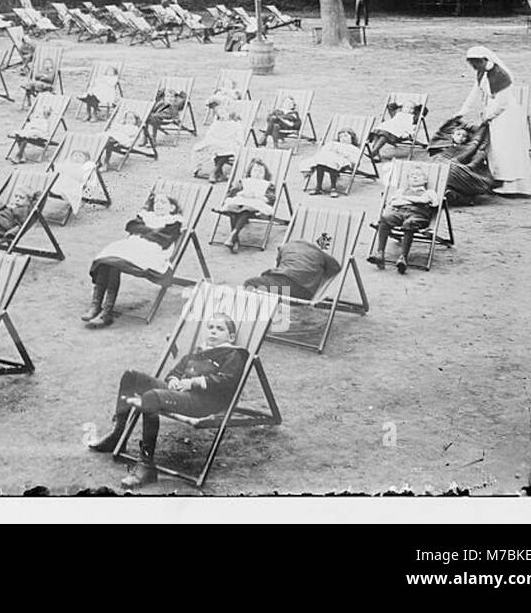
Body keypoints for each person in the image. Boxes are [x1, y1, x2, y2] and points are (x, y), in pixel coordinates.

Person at [87, 313, 248, 488]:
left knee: (151, 397)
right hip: (183, 395)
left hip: (204, 402)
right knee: (130, 376)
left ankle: (146, 465)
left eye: (220, 329)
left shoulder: (233, 354)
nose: (213, 332)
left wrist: (192, 382)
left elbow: (227, 382)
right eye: (210, 327)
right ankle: (117, 435)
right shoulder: (198, 352)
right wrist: (173, 382)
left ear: (231, 337)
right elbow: (175, 372)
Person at [83, 193, 184, 328]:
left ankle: (106, 311)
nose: (158, 205)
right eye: (156, 202)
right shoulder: (147, 216)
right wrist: (151, 230)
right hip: (133, 246)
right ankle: (96, 306)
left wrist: (144, 231)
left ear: (172, 207)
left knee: (114, 262)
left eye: (163, 203)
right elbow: (131, 226)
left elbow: (162, 238)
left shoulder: (173, 221)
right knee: (107, 258)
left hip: (152, 251)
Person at [454, 46, 531, 197]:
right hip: (494, 114)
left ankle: (513, 186)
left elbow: (502, 103)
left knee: (506, 148)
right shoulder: (482, 73)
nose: (475, 67)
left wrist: (487, 116)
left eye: (477, 63)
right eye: (473, 64)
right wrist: (462, 111)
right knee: (496, 148)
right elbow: (474, 92)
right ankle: (499, 180)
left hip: (506, 115)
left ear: (485, 59)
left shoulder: (500, 75)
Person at [368, 165, 441, 274]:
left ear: (425, 180)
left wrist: (406, 199)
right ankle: (380, 254)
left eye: (418, 175)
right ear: (408, 180)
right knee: (385, 218)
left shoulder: (430, 192)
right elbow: (393, 202)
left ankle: (403, 258)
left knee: (409, 223)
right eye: (412, 176)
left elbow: (434, 203)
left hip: (418, 215)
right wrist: (417, 200)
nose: (415, 177)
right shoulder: (401, 191)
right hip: (400, 213)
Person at [244, 236, 341, 299]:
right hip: (306, 293)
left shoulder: (285, 247)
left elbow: (278, 267)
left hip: (287, 285)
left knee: (250, 283)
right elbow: (336, 267)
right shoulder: (318, 252)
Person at [214, 157, 277, 253]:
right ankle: (233, 238)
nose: (258, 173)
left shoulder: (267, 184)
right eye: (255, 171)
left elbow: (271, 198)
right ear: (250, 172)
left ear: (265, 174)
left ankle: (233, 235)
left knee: (247, 209)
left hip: (257, 206)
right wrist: (241, 193)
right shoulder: (243, 181)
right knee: (237, 208)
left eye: (261, 172)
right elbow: (232, 193)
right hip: (239, 203)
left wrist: (258, 196)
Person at [428, 120, 496, 205]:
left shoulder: (469, 147)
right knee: (433, 174)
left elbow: (479, 137)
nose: (461, 137)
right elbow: (447, 126)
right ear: (452, 135)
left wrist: (479, 126)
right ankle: (456, 197)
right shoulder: (444, 146)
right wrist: (464, 124)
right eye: (458, 134)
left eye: (464, 136)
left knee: (447, 174)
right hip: (441, 164)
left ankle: (455, 196)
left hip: (456, 170)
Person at [190, 100, 245, 181]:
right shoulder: (216, 124)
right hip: (216, 143)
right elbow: (209, 135)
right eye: (220, 113)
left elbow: (240, 139)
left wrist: (232, 142)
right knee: (200, 147)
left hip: (229, 144)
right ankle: (217, 172)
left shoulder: (235, 124)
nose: (222, 116)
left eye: (224, 113)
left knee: (225, 149)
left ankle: (214, 172)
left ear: (229, 113)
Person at [301, 127, 362, 196]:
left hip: (343, 162)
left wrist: (341, 153)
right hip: (329, 159)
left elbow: (354, 159)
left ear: (352, 138)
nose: (343, 138)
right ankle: (318, 187)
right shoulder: (334, 144)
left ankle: (333, 188)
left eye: (346, 136)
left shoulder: (353, 148)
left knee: (333, 163)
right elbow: (324, 150)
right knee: (320, 163)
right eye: (341, 137)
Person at [10, 98, 57, 163]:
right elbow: (32, 125)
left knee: (24, 138)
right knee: (20, 136)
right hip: (33, 132)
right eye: (45, 113)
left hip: (39, 134)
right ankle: (22, 156)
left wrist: (34, 129)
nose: (46, 115)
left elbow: (44, 131)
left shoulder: (46, 122)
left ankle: (19, 156)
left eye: (48, 114)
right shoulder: (38, 118)